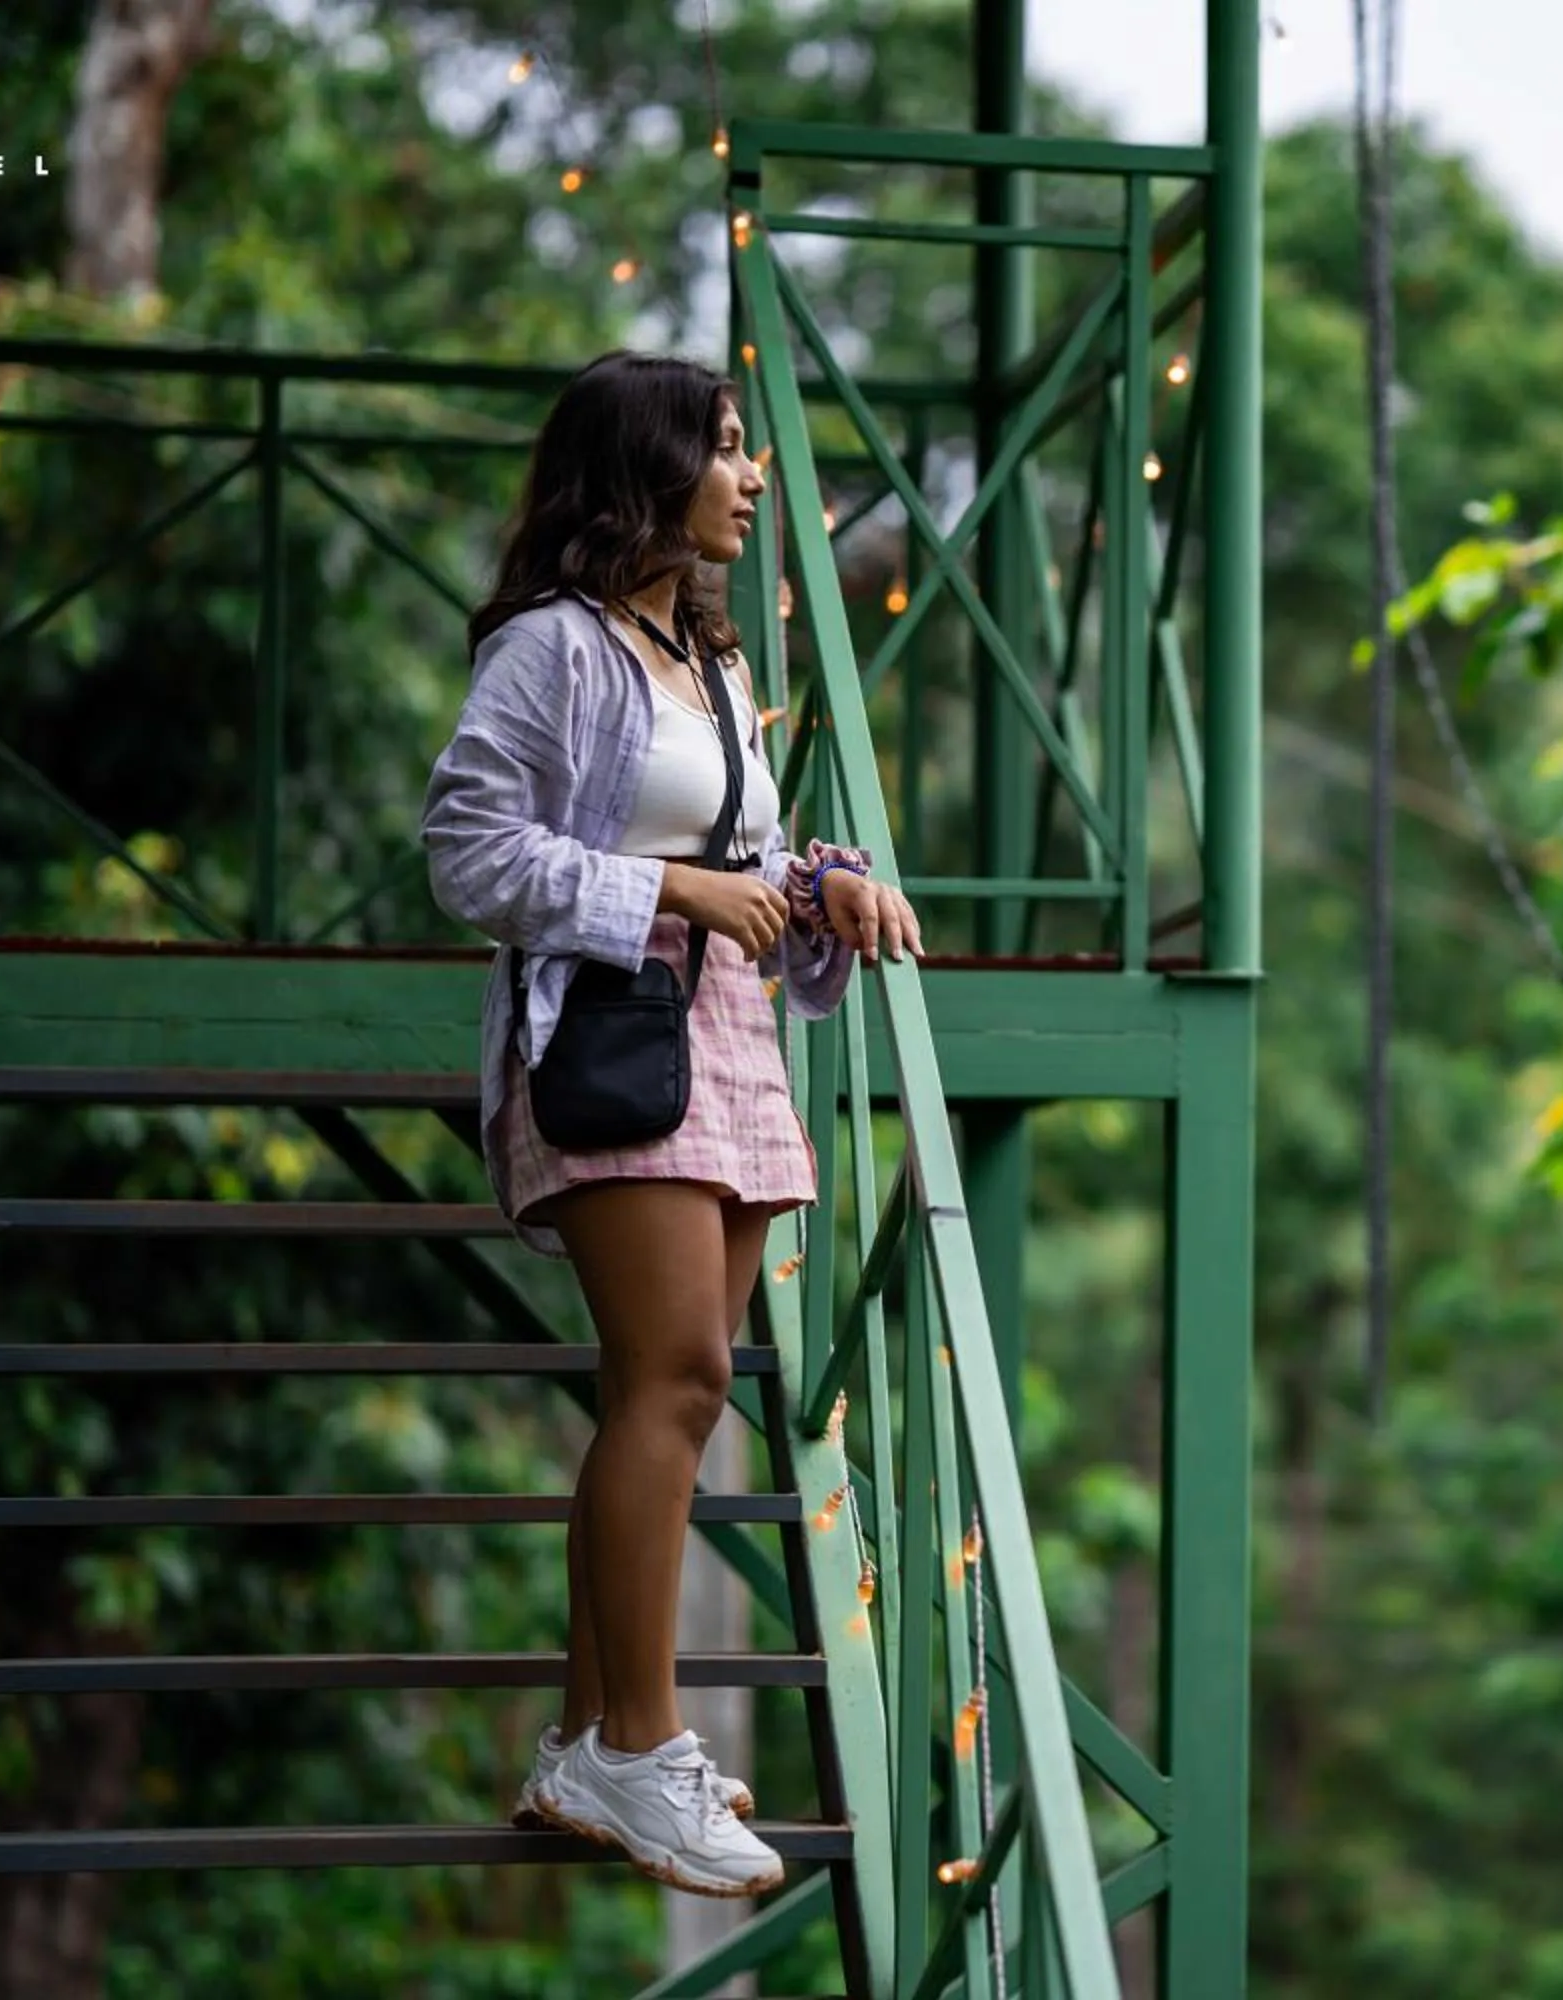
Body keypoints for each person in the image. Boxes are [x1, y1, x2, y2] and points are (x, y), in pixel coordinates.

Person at [421, 350, 923, 1898]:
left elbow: (734, 853)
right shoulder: (553, 653)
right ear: (646, 469)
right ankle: (640, 1751)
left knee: (689, 1395)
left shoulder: (704, 657)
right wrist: (662, 893)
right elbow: (466, 848)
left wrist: (818, 877)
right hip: (608, 1042)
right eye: (723, 448)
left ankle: (590, 1745)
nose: (753, 476)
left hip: (725, 1034)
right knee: (678, 1373)